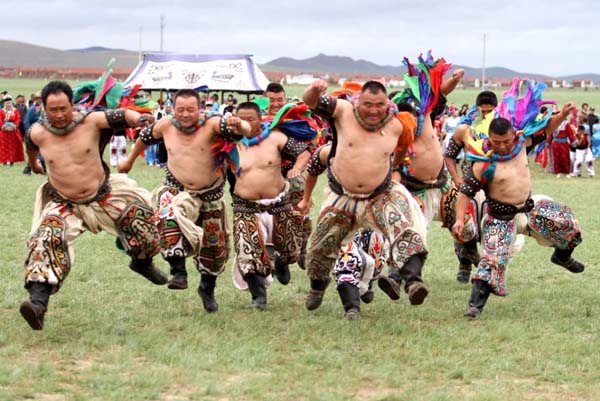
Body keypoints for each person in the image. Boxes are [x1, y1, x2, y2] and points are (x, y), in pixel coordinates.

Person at [20, 80, 167, 330]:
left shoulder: (91, 121)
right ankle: (37, 305)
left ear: (72, 105)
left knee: (144, 224)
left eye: (63, 108)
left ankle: (142, 263)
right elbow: (30, 144)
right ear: (43, 108)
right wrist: (34, 164)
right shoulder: (38, 131)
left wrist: (139, 119)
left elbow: (120, 116)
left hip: (105, 195)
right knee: (45, 240)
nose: (59, 115)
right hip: (64, 203)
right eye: (52, 110)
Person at [301, 79, 428, 314]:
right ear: (358, 101)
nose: (373, 110)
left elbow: (402, 148)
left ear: (387, 103)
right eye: (368, 104)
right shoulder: (342, 110)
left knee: (403, 227)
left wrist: (392, 169)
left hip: (378, 194)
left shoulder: (398, 125)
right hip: (342, 195)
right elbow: (309, 102)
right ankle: (317, 287)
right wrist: (314, 90)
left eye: (379, 104)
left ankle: (413, 282)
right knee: (320, 246)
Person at [119, 89, 251, 313]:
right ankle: (178, 271)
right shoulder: (165, 126)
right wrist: (129, 161)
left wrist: (240, 125)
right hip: (175, 189)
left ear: (200, 109)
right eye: (180, 109)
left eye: (191, 109)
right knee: (168, 214)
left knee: (213, 250)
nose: (185, 114)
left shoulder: (213, 124)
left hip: (210, 195)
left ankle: (207, 289)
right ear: (172, 108)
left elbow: (242, 131)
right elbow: (143, 138)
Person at [452, 116, 584, 319]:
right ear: (490, 138)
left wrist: (562, 115)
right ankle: (474, 306)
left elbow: (547, 128)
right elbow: (464, 194)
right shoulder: (483, 164)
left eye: (506, 141)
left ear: (513, 135)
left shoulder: (522, 144)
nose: (503, 146)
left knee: (568, 224)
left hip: (530, 210)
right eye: (497, 142)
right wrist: (460, 219)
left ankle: (561, 257)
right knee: (491, 261)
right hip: (500, 218)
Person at [230, 101, 310, 309]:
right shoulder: (228, 143)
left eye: (250, 119)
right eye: (242, 119)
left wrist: (297, 169)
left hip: (278, 206)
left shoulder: (275, 138)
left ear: (260, 119)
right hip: (245, 207)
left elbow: (304, 152)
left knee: (291, 250)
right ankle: (259, 298)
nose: (245, 123)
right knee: (247, 254)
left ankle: (283, 262)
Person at [0, 95, 25, 166]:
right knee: (4, 147)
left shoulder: (15, 110)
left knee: (14, 147)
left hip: (14, 131)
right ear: (4, 103)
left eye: (10, 103)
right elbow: (0, 120)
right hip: (4, 132)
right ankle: (4, 161)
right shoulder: (1, 111)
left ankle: (12, 161)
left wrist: (13, 126)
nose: (8, 104)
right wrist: (4, 127)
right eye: (7, 103)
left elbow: (18, 119)